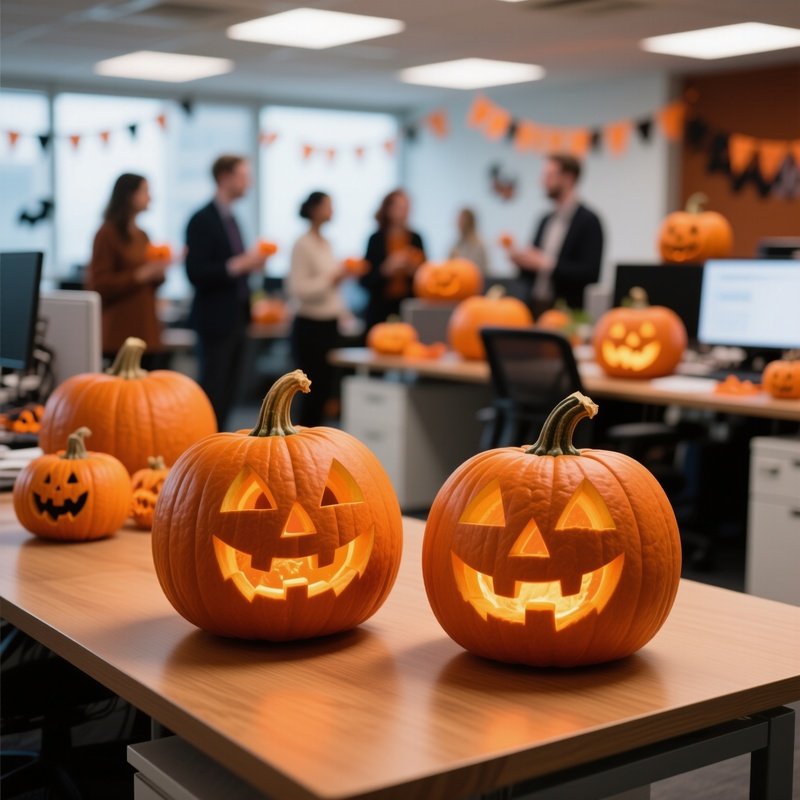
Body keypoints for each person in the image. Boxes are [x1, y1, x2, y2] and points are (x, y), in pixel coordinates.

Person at [185, 155, 269, 429]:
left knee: (231, 391)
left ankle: (220, 447)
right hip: (214, 320)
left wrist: (248, 267)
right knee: (213, 391)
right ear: (224, 177)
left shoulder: (232, 219)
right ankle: (205, 455)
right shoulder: (201, 219)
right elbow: (196, 272)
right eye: (243, 177)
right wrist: (239, 264)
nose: (249, 183)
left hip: (237, 317)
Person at [85, 173, 172, 367]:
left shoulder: (143, 235)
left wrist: (158, 273)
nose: (150, 198)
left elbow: (150, 282)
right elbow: (99, 284)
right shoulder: (106, 234)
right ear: (129, 196)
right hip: (120, 333)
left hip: (147, 330)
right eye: (145, 192)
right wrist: (140, 275)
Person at [509, 153, 603, 314]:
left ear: (568, 178)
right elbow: (533, 272)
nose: (543, 181)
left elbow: (590, 273)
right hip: (536, 306)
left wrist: (548, 264)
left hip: (567, 311)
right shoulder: (544, 220)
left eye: (549, 175)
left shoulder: (589, 222)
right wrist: (522, 261)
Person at [287, 191, 348, 427]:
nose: (332, 210)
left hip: (330, 323)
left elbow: (332, 289)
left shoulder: (327, 243)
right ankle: (302, 451)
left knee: (325, 391)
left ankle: (317, 447)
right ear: (314, 209)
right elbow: (298, 288)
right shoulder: (302, 244)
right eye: (327, 205)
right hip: (309, 325)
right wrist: (330, 279)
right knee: (309, 394)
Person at [359, 189, 425, 331]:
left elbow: (427, 278)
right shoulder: (376, 240)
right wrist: (386, 269)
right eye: (400, 207)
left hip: (407, 307)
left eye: (407, 207)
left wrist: (413, 270)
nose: (405, 212)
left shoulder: (416, 239)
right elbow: (365, 279)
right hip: (380, 309)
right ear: (388, 209)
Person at [449, 208, 489, 273]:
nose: (458, 223)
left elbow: (481, 269)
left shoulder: (478, 244)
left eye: (461, 220)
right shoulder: (456, 244)